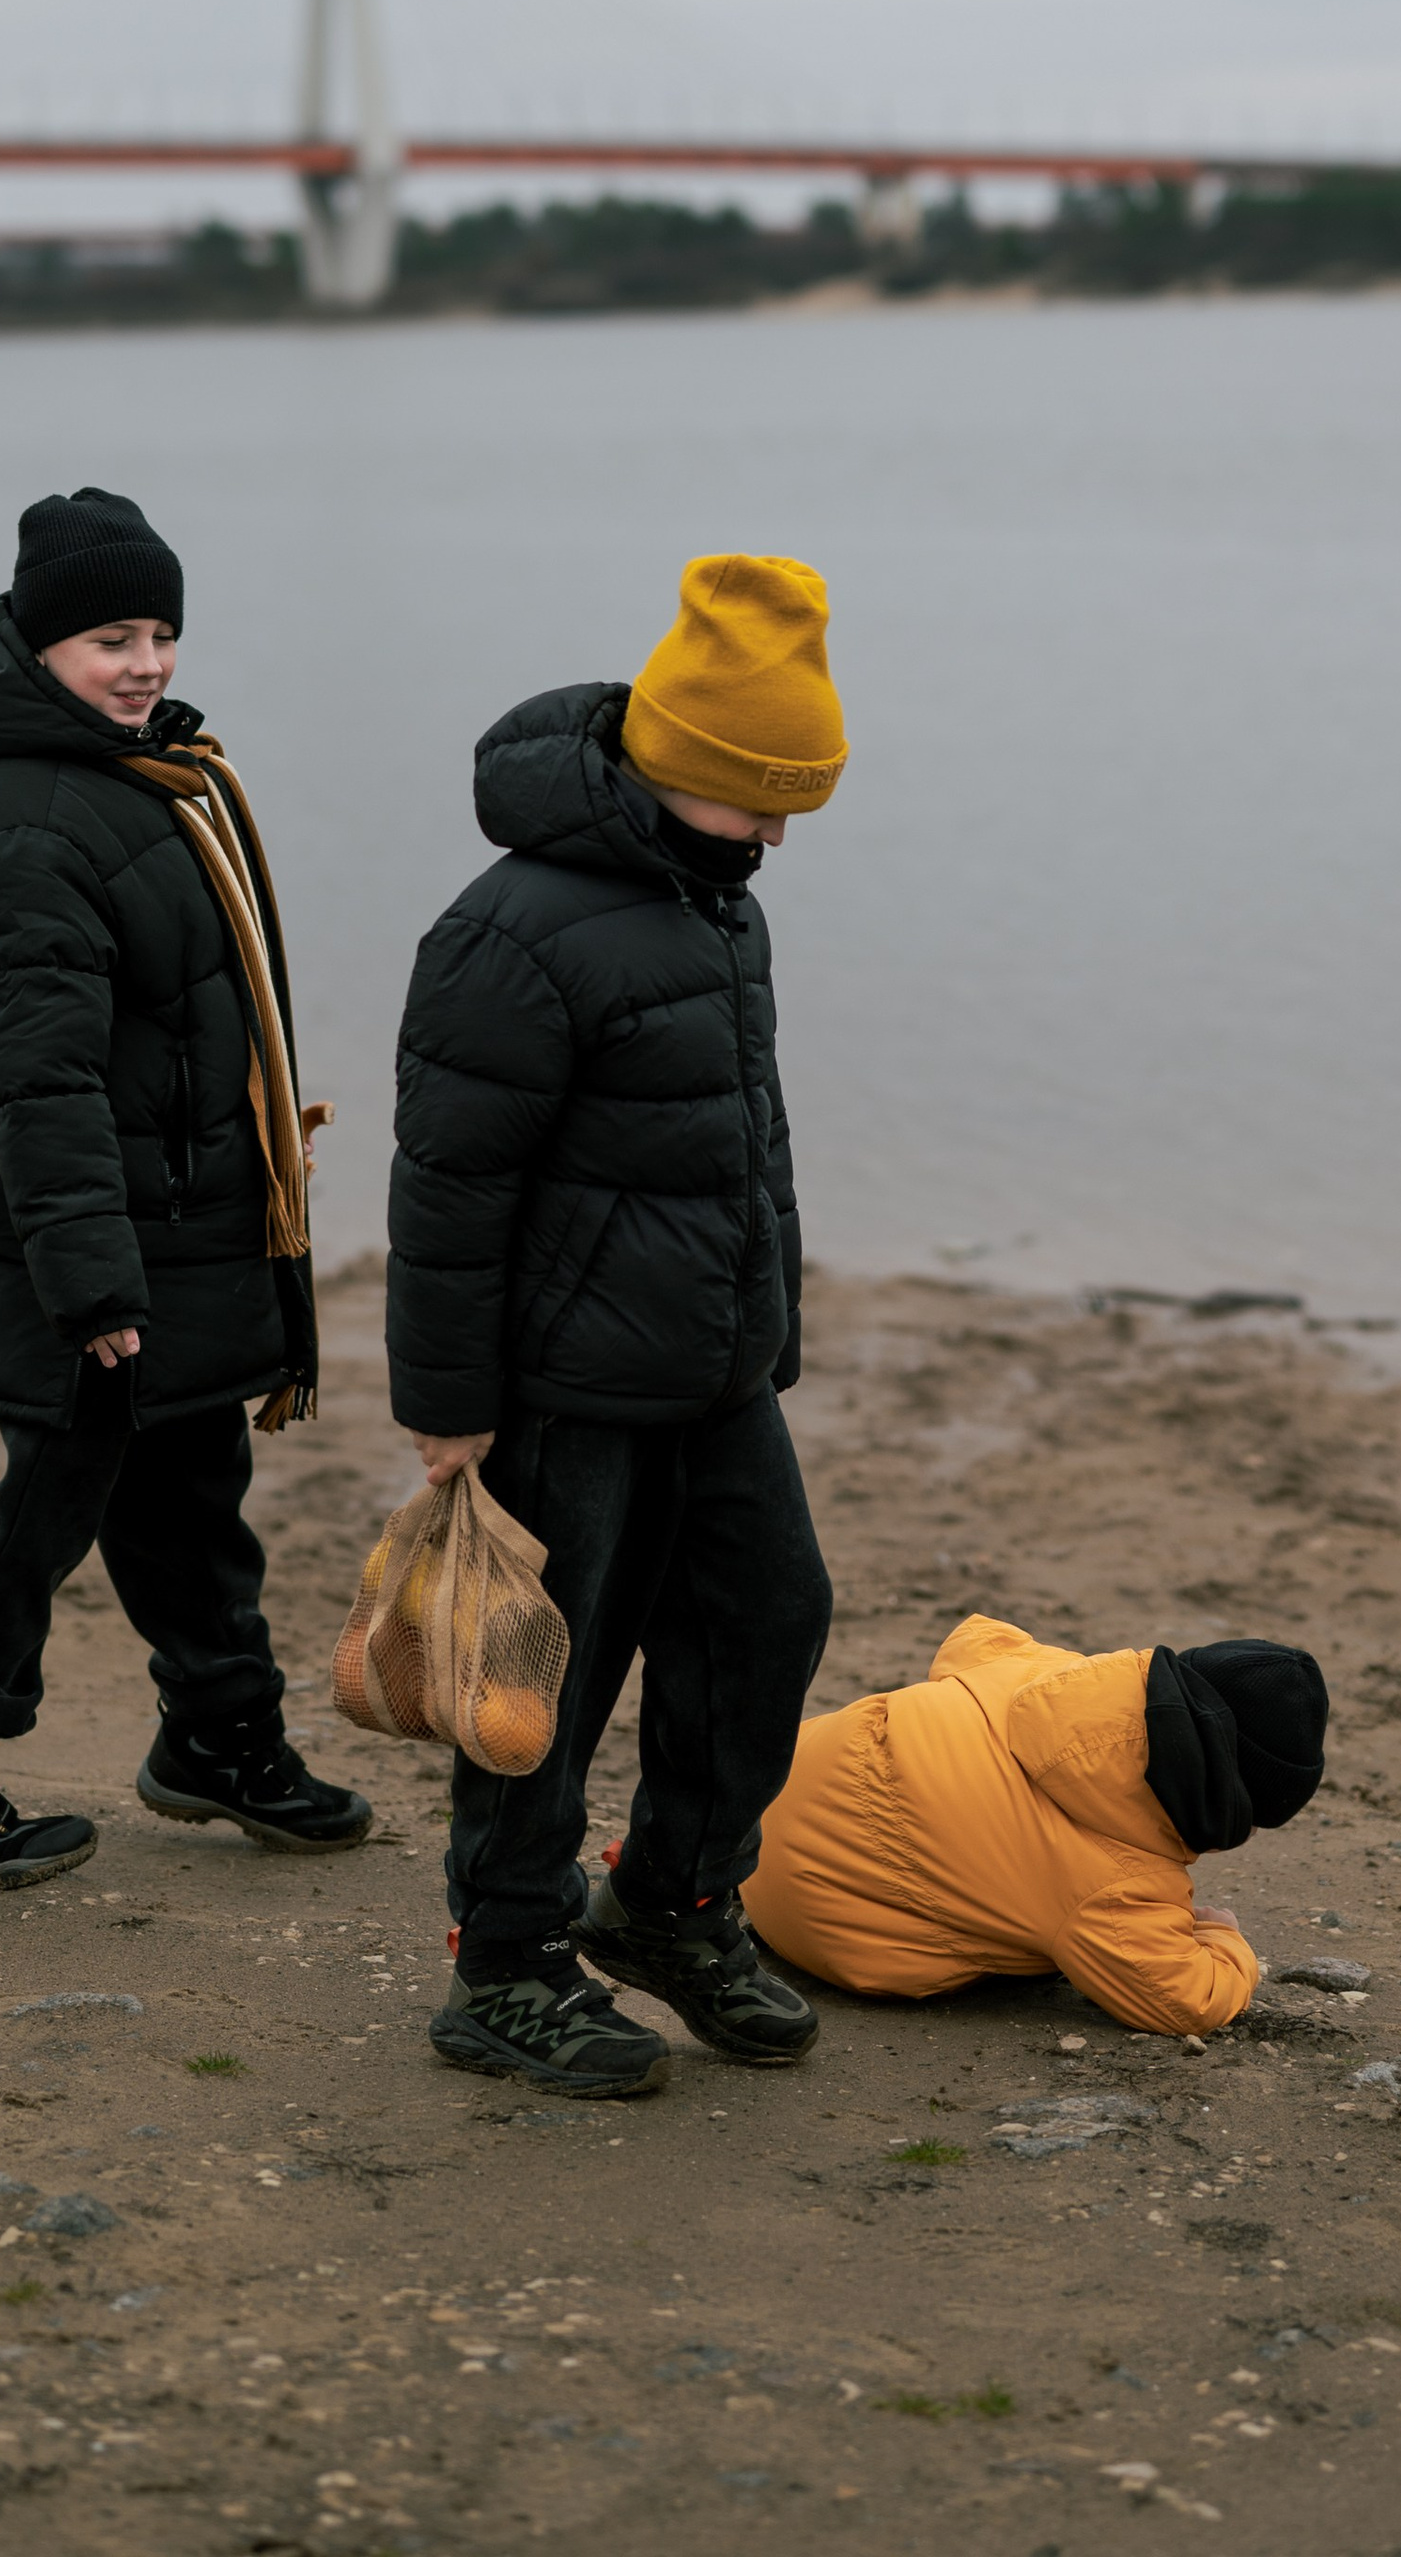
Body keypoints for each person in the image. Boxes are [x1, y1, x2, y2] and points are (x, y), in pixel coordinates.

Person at [0, 485, 370, 1898]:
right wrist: (88, 1285)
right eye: (107, 639)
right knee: (47, 1508)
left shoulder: (149, 771)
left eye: (158, 632)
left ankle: (221, 1741)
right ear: (38, 647)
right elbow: (40, 1075)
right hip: (96, 1249)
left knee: (195, 1491)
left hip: (180, 1222)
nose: (143, 662)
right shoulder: (31, 813)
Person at [384, 553, 848, 2097]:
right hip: (560, 1390)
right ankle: (504, 1967)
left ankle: (671, 1906)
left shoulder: (718, 907)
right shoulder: (507, 932)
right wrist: (448, 1405)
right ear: (678, 763)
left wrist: (765, 1326)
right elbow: (450, 1186)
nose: (779, 835)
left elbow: (744, 1143)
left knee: (767, 1618)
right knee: (542, 1684)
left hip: (713, 1374)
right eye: (760, 798)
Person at [744, 1616, 1327, 2038]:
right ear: (1223, 1799)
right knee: (1026, 1953)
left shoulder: (1051, 1677)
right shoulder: (1114, 1885)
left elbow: (977, 1640)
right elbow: (1184, 2001)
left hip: (751, 1814)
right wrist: (1224, 1938)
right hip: (809, 1921)